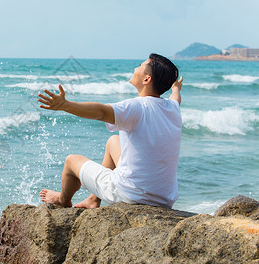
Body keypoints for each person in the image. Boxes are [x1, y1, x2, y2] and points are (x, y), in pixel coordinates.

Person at [38, 53, 183, 209]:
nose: (136, 67)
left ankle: (62, 200)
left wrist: (65, 105)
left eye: (141, 65)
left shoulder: (137, 107)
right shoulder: (172, 108)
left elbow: (101, 112)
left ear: (147, 79)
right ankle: (94, 199)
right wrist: (175, 89)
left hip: (132, 194)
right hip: (164, 198)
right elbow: (176, 98)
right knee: (113, 141)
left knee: (71, 161)